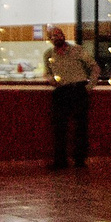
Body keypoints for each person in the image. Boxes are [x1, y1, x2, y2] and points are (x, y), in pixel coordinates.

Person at [42, 27, 97, 170]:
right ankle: (60, 161)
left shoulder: (78, 50)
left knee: (80, 127)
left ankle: (80, 160)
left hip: (78, 89)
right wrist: (50, 79)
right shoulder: (48, 54)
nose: (57, 37)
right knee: (59, 127)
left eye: (59, 34)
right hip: (61, 91)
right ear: (50, 39)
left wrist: (89, 86)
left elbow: (94, 67)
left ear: (64, 36)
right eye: (53, 36)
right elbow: (47, 72)